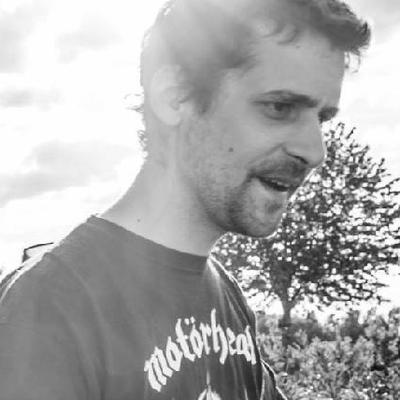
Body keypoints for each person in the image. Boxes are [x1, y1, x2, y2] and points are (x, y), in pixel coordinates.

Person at [0, 0, 370, 399]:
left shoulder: (226, 296)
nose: (315, 151)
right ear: (175, 97)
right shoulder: (51, 307)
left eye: (322, 118)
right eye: (280, 107)